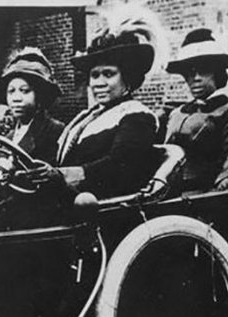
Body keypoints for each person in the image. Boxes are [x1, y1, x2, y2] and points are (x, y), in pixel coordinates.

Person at [25, 3, 166, 200]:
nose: (98, 83)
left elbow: (122, 165)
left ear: (127, 77)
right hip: (68, 198)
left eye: (108, 74)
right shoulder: (88, 116)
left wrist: (62, 175)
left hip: (100, 207)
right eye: (94, 75)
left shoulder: (137, 116)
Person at [164, 28, 228, 193]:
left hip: (205, 191)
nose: (196, 78)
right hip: (170, 189)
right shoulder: (177, 113)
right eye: (189, 73)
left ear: (217, 72)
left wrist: (225, 178)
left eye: (204, 70)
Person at [0, 47, 65, 165]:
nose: (16, 98)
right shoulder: (9, 137)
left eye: (24, 91)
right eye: (11, 91)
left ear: (39, 95)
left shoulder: (53, 131)